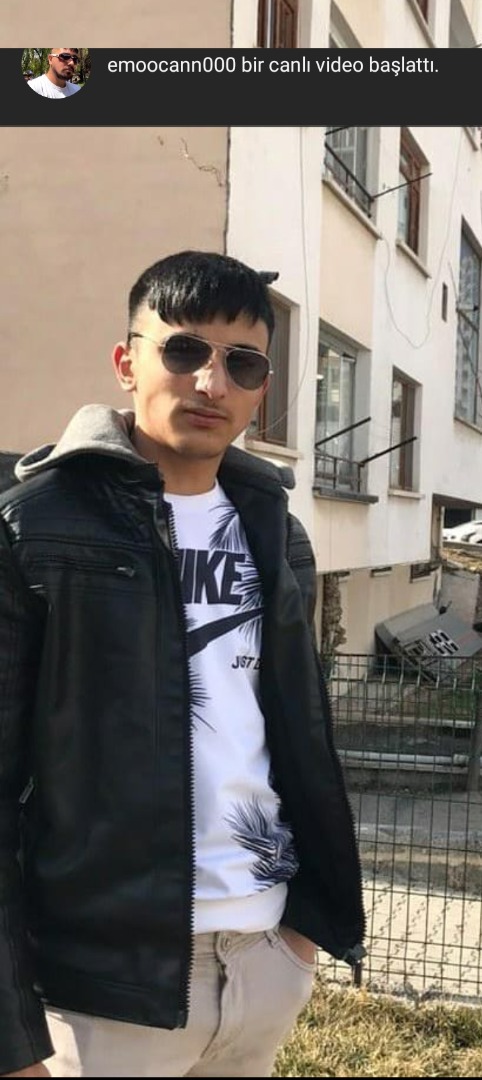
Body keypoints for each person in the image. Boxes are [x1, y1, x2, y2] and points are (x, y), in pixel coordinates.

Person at [0, 250, 365, 1078]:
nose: (211, 382)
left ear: (260, 389)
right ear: (127, 363)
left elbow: (294, 734)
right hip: (104, 984)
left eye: (242, 364)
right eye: (184, 350)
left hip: (265, 956)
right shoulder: (35, 526)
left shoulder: (274, 528)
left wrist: (296, 940)